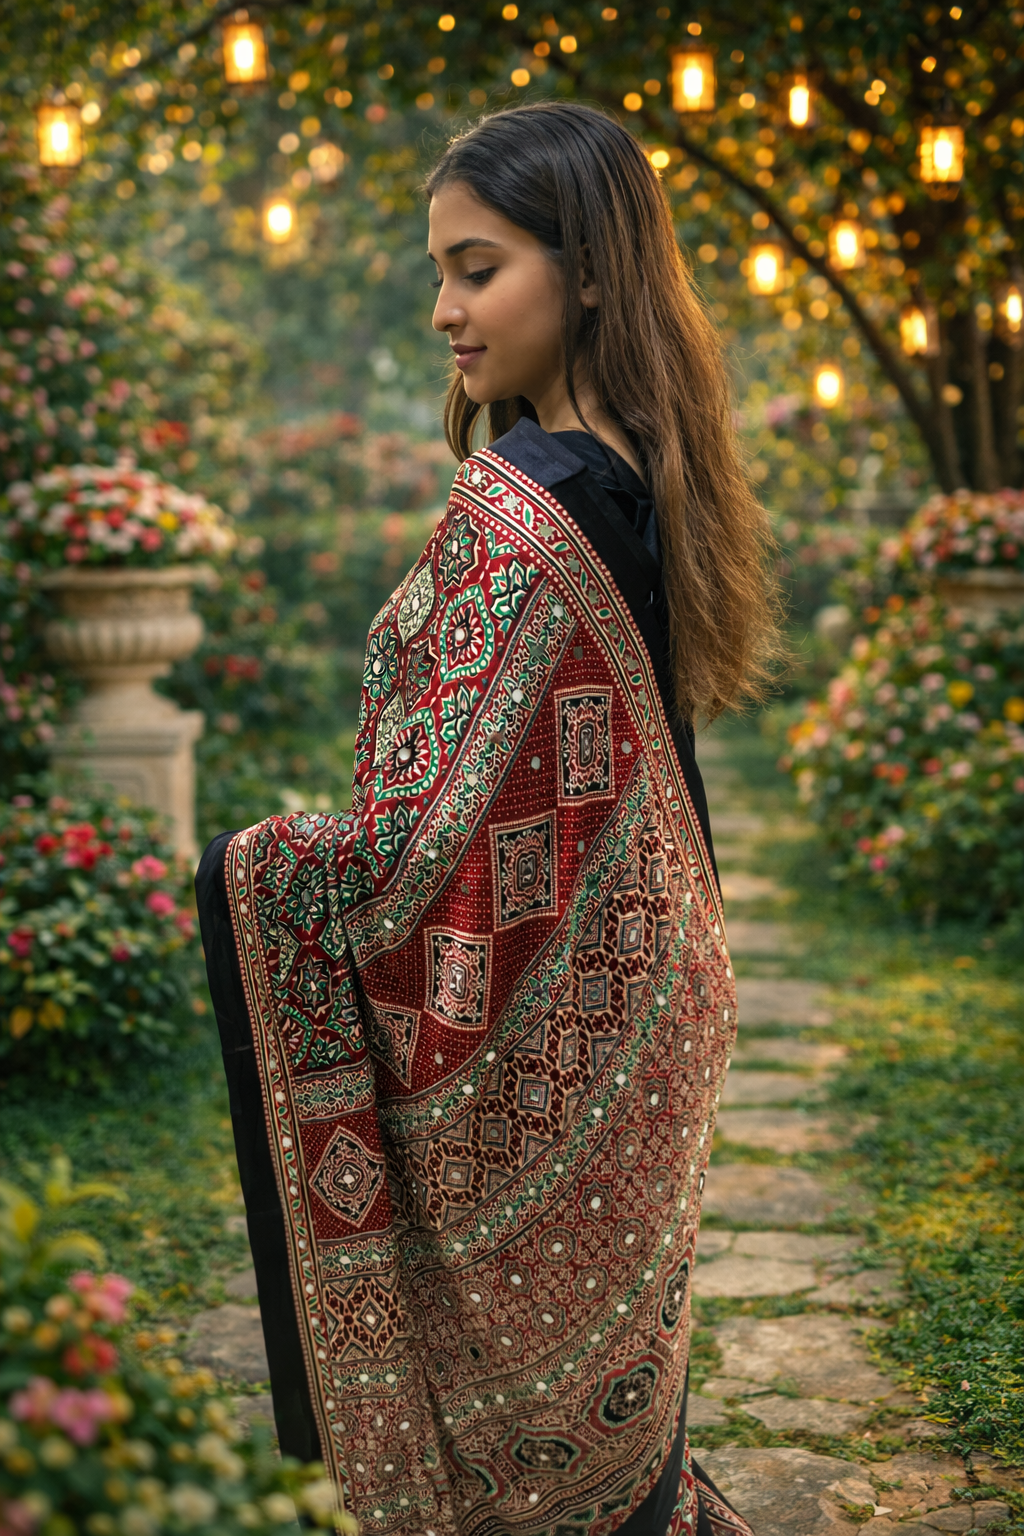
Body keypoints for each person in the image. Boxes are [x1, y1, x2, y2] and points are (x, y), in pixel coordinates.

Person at [197, 102, 778, 1536]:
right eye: (440, 274)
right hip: (651, 1006)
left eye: (478, 268)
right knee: (616, 1437)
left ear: (585, 271)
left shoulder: (521, 501)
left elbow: (427, 849)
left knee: (548, 1457)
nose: (446, 310)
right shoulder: (640, 470)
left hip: (547, 1047)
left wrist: (274, 872)